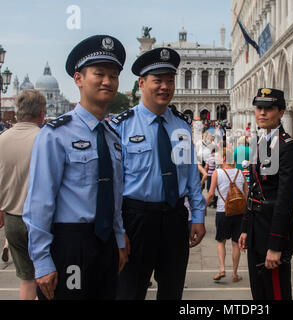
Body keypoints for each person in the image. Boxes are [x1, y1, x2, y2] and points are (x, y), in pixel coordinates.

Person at [22, 35, 128, 300]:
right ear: (78, 79)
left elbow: (114, 197)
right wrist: (42, 261)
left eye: (114, 75)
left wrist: (119, 239)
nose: (107, 81)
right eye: (99, 73)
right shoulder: (56, 134)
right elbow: (39, 202)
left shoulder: (112, 137)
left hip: (106, 246)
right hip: (71, 242)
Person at [111, 47, 206, 300]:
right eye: (158, 81)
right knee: (129, 291)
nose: (165, 86)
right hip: (136, 219)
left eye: (170, 80)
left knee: (172, 291)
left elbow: (191, 177)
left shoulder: (181, 126)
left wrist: (197, 215)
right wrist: (118, 230)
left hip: (175, 219)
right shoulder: (121, 126)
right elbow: (113, 185)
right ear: (142, 83)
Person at [238, 88, 293, 300]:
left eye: (268, 108)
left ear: (281, 112)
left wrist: (275, 245)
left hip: (274, 230)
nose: (262, 113)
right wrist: (246, 228)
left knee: (276, 292)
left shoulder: (287, 147)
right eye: (259, 108)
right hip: (257, 228)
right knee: (259, 292)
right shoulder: (260, 142)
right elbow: (253, 189)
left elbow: (285, 200)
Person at [0, 89, 46, 299]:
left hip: (12, 219)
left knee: (27, 280)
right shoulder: (45, 140)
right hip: (41, 221)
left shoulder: (3, 139)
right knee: (47, 278)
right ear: (42, 113)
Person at [206, 147, 248, 283]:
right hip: (239, 213)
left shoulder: (217, 173)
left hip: (222, 212)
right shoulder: (240, 173)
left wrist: (203, 207)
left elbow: (211, 194)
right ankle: (235, 274)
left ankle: (222, 269)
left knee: (221, 241)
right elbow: (246, 195)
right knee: (236, 243)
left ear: (224, 158)